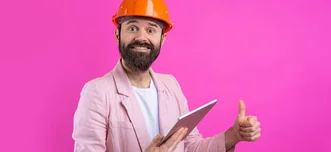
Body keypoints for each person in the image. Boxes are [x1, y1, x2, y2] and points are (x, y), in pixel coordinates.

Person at [71, 0, 262, 151]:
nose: (141, 37)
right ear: (117, 35)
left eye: (151, 30)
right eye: (132, 28)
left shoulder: (171, 85)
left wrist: (233, 135)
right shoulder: (96, 92)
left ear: (162, 39)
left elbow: (190, 147)